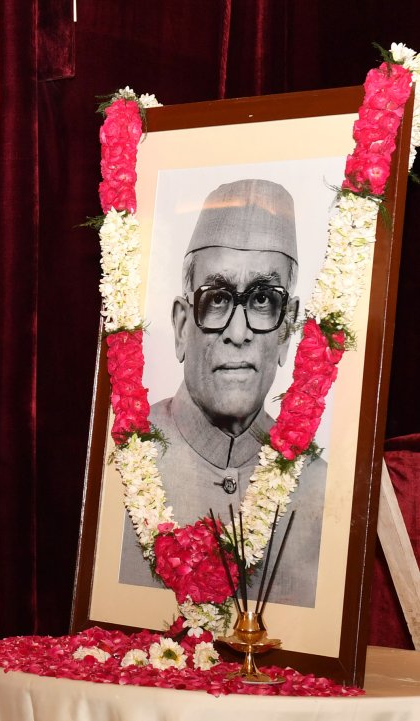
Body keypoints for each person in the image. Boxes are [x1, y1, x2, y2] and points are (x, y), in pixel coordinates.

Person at [118, 179, 326, 607]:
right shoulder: (120, 461)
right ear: (181, 325)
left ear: (287, 330)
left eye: (263, 300)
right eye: (216, 299)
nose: (238, 332)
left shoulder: (322, 485)